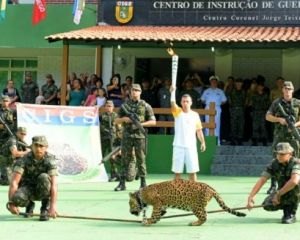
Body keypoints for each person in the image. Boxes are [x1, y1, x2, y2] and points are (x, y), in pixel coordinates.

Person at [114, 84, 156, 191]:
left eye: (137, 90)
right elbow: (116, 121)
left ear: (140, 92)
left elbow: (153, 122)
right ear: (130, 92)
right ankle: (122, 183)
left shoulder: (145, 106)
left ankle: (143, 183)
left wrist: (141, 124)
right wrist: (124, 119)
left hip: (140, 136)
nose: (134, 92)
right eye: (133, 90)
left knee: (141, 159)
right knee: (125, 159)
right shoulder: (125, 106)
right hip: (127, 135)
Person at [247, 142, 300, 224]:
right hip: (285, 191)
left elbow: (294, 181)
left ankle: (290, 213)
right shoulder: (274, 164)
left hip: (296, 190)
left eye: (282, 154)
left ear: (290, 154)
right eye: (278, 154)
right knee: (268, 204)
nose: (279, 156)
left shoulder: (296, 163)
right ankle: (287, 207)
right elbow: (262, 180)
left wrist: (278, 194)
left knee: (293, 187)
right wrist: (251, 197)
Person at [7, 136, 58, 221]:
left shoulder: (50, 160)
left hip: (43, 189)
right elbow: (14, 182)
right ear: (32, 147)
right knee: (16, 199)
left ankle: (45, 208)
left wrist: (52, 207)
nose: (38, 149)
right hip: (28, 188)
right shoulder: (23, 160)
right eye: (36, 145)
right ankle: (29, 205)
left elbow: (54, 185)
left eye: (41, 146)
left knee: (44, 177)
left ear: (46, 147)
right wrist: (12, 204)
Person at [265, 81, 300, 193]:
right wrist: (279, 120)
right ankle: (273, 185)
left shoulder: (298, 103)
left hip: (293, 137)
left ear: (292, 90)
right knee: (276, 159)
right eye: (285, 89)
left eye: (289, 89)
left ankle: (295, 183)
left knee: (296, 159)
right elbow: (268, 116)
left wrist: (294, 125)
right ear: (283, 90)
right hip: (280, 136)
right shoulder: (277, 103)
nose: (287, 91)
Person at [170, 86, 206, 182]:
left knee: (193, 172)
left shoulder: (195, 115)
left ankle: (194, 194)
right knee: (177, 173)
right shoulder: (177, 112)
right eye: (183, 101)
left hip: (191, 147)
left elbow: (199, 130)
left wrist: (202, 142)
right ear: (181, 103)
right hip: (178, 146)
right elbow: (173, 104)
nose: (185, 103)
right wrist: (172, 93)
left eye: (187, 101)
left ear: (191, 102)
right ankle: (176, 194)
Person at [201, 75, 227, 145]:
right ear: (210, 82)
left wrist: (217, 104)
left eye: (215, 81)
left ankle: (217, 141)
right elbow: (202, 100)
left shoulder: (220, 91)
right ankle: (207, 141)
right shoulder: (206, 91)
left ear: (217, 82)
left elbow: (224, 101)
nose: (214, 82)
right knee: (207, 124)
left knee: (216, 124)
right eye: (212, 81)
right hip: (208, 108)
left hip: (217, 108)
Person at [100, 100, 122, 182]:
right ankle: (100, 173)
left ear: (113, 107)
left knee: (112, 158)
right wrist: (105, 130)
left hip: (113, 139)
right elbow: (100, 126)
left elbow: (119, 128)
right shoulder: (102, 116)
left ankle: (114, 174)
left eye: (110, 106)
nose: (108, 108)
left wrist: (119, 138)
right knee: (101, 156)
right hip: (104, 139)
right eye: (107, 106)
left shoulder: (116, 116)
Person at [228, 78, 246, 145]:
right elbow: (228, 97)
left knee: (241, 125)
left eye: (240, 83)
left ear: (242, 84)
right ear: (235, 84)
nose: (239, 84)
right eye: (237, 83)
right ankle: (233, 139)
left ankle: (239, 139)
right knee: (233, 125)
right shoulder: (232, 91)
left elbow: (246, 100)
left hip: (241, 109)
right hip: (234, 109)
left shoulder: (244, 91)